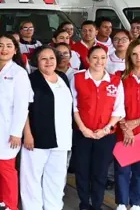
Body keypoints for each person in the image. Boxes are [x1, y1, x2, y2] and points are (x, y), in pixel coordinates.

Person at [71, 45, 124, 210]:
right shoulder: (78, 77)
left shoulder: (115, 81)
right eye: (95, 57)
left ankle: (97, 205)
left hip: (106, 136)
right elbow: (74, 107)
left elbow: (118, 110)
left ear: (107, 59)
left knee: (100, 173)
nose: (99, 61)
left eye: (103, 57)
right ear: (88, 59)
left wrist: (105, 130)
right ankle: (84, 204)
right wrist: (83, 129)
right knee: (82, 171)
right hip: (82, 134)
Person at [20, 46, 73, 210]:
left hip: (62, 138)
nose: (48, 62)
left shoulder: (63, 77)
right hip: (37, 137)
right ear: (37, 61)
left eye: (52, 58)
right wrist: (27, 133)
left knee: (56, 179)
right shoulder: (31, 80)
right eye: (44, 58)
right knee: (31, 179)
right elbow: (23, 109)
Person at [0, 33, 32, 210]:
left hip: (7, 128)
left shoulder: (19, 73)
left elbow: (22, 106)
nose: (4, 49)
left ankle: (11, 205)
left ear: (15, 50)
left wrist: (16, 132)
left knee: (6, 167)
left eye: (9, 46)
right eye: (0, 45)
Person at [116, 40, 140, 210]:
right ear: (129, 56)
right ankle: (122, 203)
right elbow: (114, 106)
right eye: (134, 54)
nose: (138, 58)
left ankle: (136, 202)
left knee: (139, 172)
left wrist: (136, 123)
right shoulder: (120, 77)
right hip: (123, 132)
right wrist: (125, 128)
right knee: (122, 170)